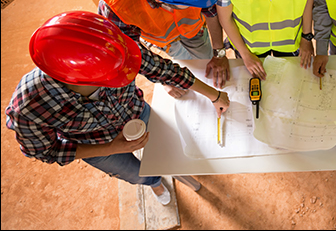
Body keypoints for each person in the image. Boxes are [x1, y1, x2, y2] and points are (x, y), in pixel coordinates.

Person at [5, 11, 230, 205]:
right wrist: (111, 148)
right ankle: (155, 184)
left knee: (171, 149)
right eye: (116, 75)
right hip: (97, 145)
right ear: (78, 80)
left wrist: (215, 95)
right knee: (138, 174)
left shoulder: (114, 48)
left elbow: (164, 70)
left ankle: (175, 169)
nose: (126, 72)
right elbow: (47, 150)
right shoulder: (28, 107)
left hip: (137, 113)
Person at [97, 0, 231, 97]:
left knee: (204, 64)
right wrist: (166, 80)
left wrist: (219, 53)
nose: (198, 4)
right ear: (162, 0)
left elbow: (210, 9)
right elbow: (134, 54)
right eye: (191, 2)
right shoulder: (116, 3)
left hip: (195, 29)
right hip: (165, 41)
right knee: (185, 64)